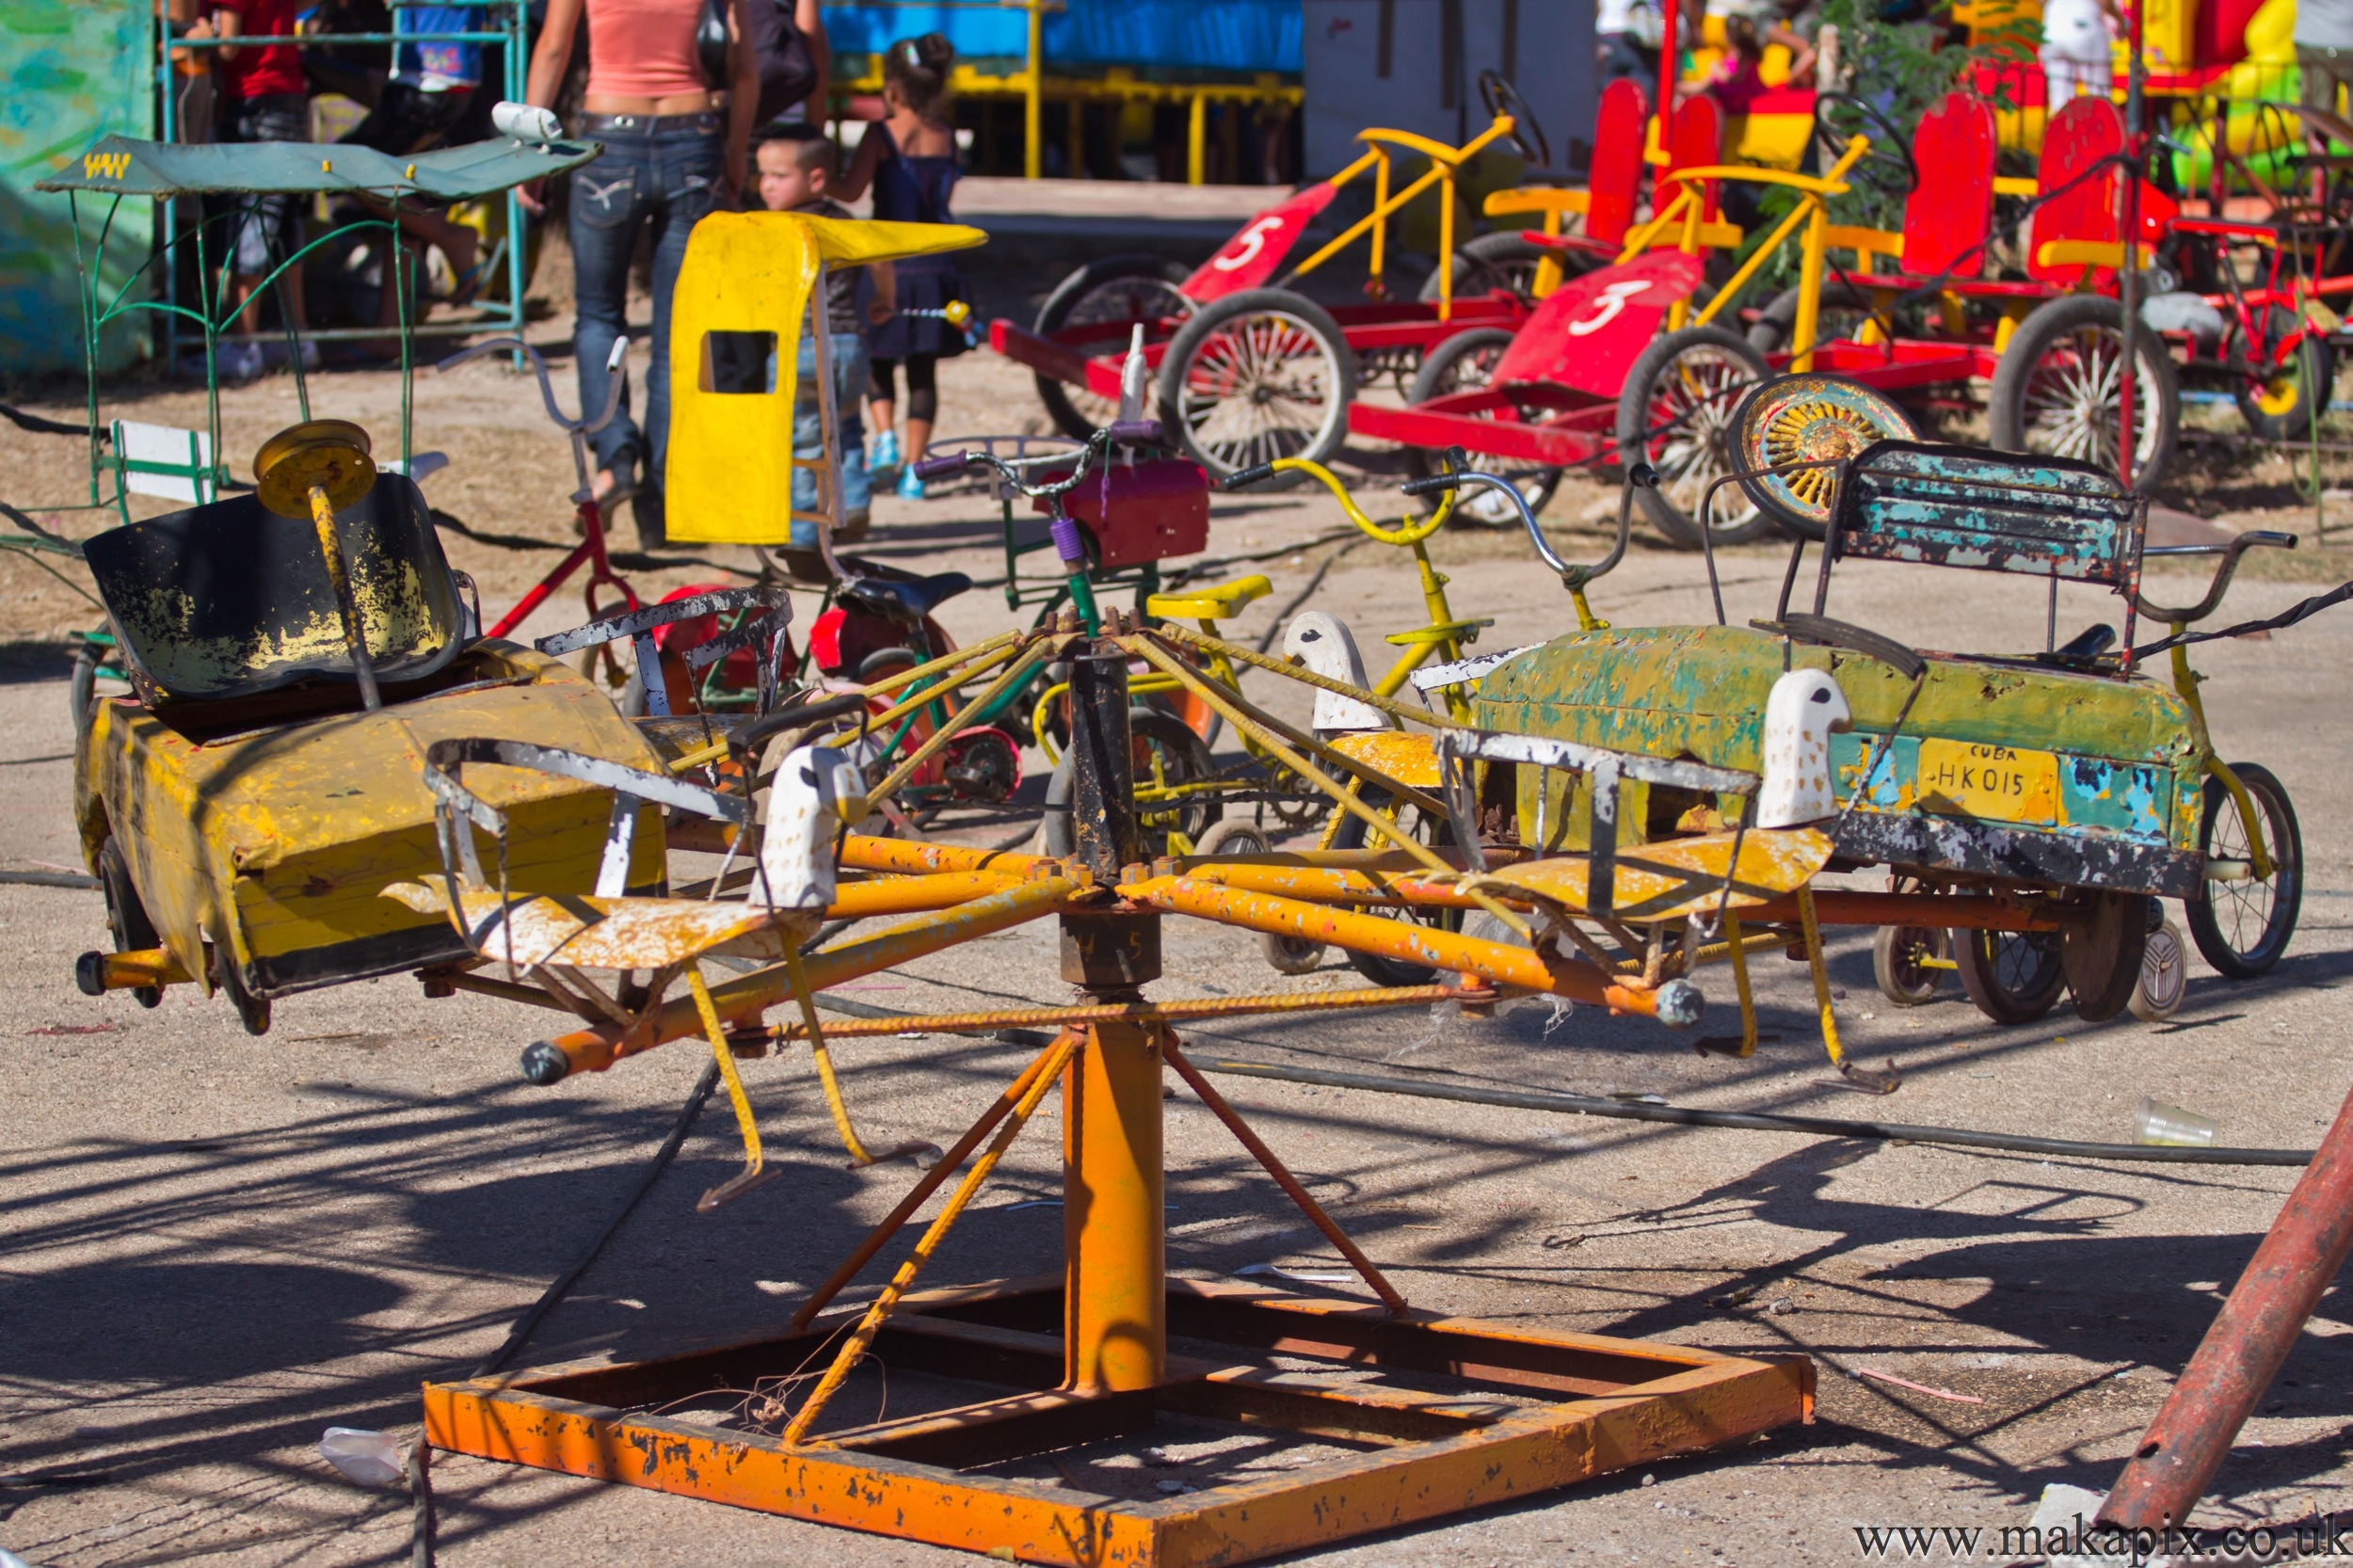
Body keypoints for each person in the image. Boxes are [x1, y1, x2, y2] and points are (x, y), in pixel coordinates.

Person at [525, 0, 760, 549]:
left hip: (610, 138)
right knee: (676, 331)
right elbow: (745, 68)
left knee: (598, 316)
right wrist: (735, 152)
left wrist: (532, 149)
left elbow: (554, 47)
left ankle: (614, 460)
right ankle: (661, 502)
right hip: (694, 139)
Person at [834, 33, 963, 500]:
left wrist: (823, 175)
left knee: (877, 357)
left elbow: (850, 191)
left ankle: (883, 438)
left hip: (885, 263)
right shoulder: (947, 137)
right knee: (923, 371)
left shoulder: (881, 133)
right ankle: (915, 472)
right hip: (936, 264)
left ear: (892, 87)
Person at [755, 124, 893, 543]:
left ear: (815, 178)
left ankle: (802, 533)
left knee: (803, 437)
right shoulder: (843, 220)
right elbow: (881, 257)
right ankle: (852, 506)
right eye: (762, 175)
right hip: (849, 344)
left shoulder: (778, 227)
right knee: (847, 428)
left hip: (800, 344)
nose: (766, 186)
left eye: (779, 176)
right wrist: (884, 297)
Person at [340, 5, 490, 328]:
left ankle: (450, 237)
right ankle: (390, 327)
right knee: (402, 194)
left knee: (342, 167)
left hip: (431, 78)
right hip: (446, 75)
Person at [210, 0, 312, 381]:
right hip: (288, 93)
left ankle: (242, 343)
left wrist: (202, 35)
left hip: (254, 99)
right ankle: (298, 339)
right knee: (282, 218)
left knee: (252, 216)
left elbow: (228, 46)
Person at [2041, 0, 2125, 104]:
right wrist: (2120, 21)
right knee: (2099, 93)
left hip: (2052, 30)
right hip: (2085, 27)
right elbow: (2105, 2)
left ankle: (2062, 118)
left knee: (2059, 98)